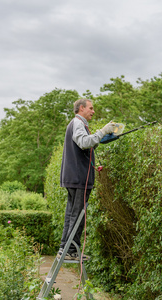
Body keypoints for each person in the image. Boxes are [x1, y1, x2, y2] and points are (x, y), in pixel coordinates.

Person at [57, 98, 115, 260]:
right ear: (81, 108)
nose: (93, 111)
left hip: (73, 177)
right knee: (78, 215)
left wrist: (99, 139)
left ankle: (65, 248)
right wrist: (102, 131)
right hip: (79, 177)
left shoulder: (77, 124)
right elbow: (83, 142)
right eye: (91, 108)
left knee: (71, 214)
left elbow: (85, 145)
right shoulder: (78, 123)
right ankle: (71, 251)